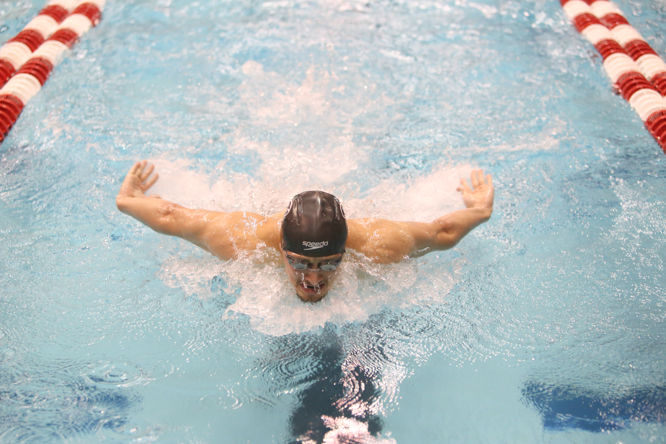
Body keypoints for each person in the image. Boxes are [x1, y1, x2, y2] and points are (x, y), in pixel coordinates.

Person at [116, 160, 494, 302]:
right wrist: (128, 201)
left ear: (346, 251)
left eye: (329, 264)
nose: (313, 279)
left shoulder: (379, 244)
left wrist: (478, 211)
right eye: (300, 262)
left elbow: (441, 232)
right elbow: (173, 217)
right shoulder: (241, 239)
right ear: (280, 247)